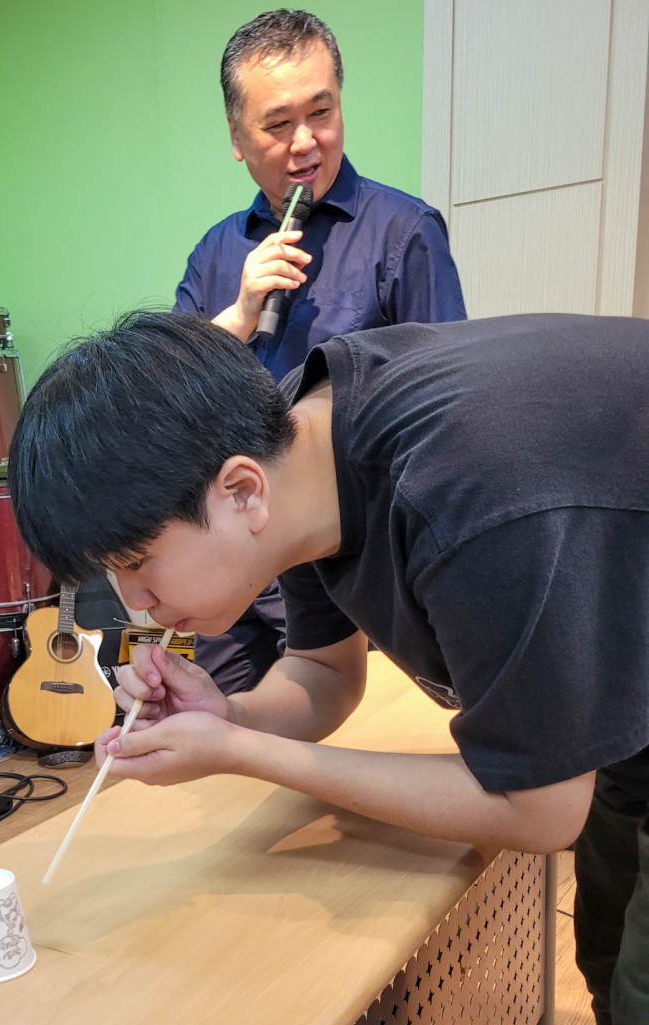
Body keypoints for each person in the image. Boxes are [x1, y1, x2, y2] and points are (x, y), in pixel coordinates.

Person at [8, 309, 649, 1025]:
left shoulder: (460, 488)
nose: (135, 605)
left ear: (238, 490)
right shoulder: (313, 453)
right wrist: (227, 715)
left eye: (136, 563)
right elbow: (319, 675)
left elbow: (537, 811)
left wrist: (246, 756)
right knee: (606, 951)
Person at [175, 8, 465, 695]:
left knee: (348, 735)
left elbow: (450, 416)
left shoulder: (404, 232)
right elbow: (168, 404)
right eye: (278, 124)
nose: (306, 142)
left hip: (354, 572)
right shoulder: (215, 253)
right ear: (237, 137)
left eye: (322, 112)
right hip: (233, 565)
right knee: (221, 729)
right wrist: (239, 315)